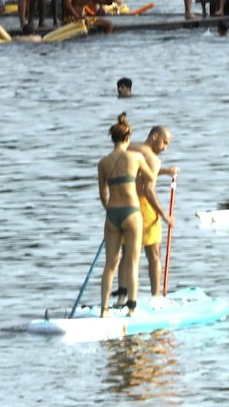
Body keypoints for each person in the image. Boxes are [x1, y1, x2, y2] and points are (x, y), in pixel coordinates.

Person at [97, 115, 146, 318]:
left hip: (112, 214)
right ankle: (132, 309)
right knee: (132, 261)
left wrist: (109, 209)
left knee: (110, 264)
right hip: (131, 212)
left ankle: (104, 310)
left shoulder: (103, 163)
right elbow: (151, 176)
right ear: (128, 138)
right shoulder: (135, 157)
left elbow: (103, 194)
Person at [126, 126, 177, 299]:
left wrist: (165, 172)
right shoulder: (154, 159)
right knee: (154, 255)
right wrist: (164, 215)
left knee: (128, 255)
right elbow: (148, 188)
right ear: (155, 136)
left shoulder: (131, 147)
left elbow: (140, 173)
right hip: (144, 208)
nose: (165, 148)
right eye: (164, 142)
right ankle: (156, 297)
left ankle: (123, 297)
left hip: (125, 204)